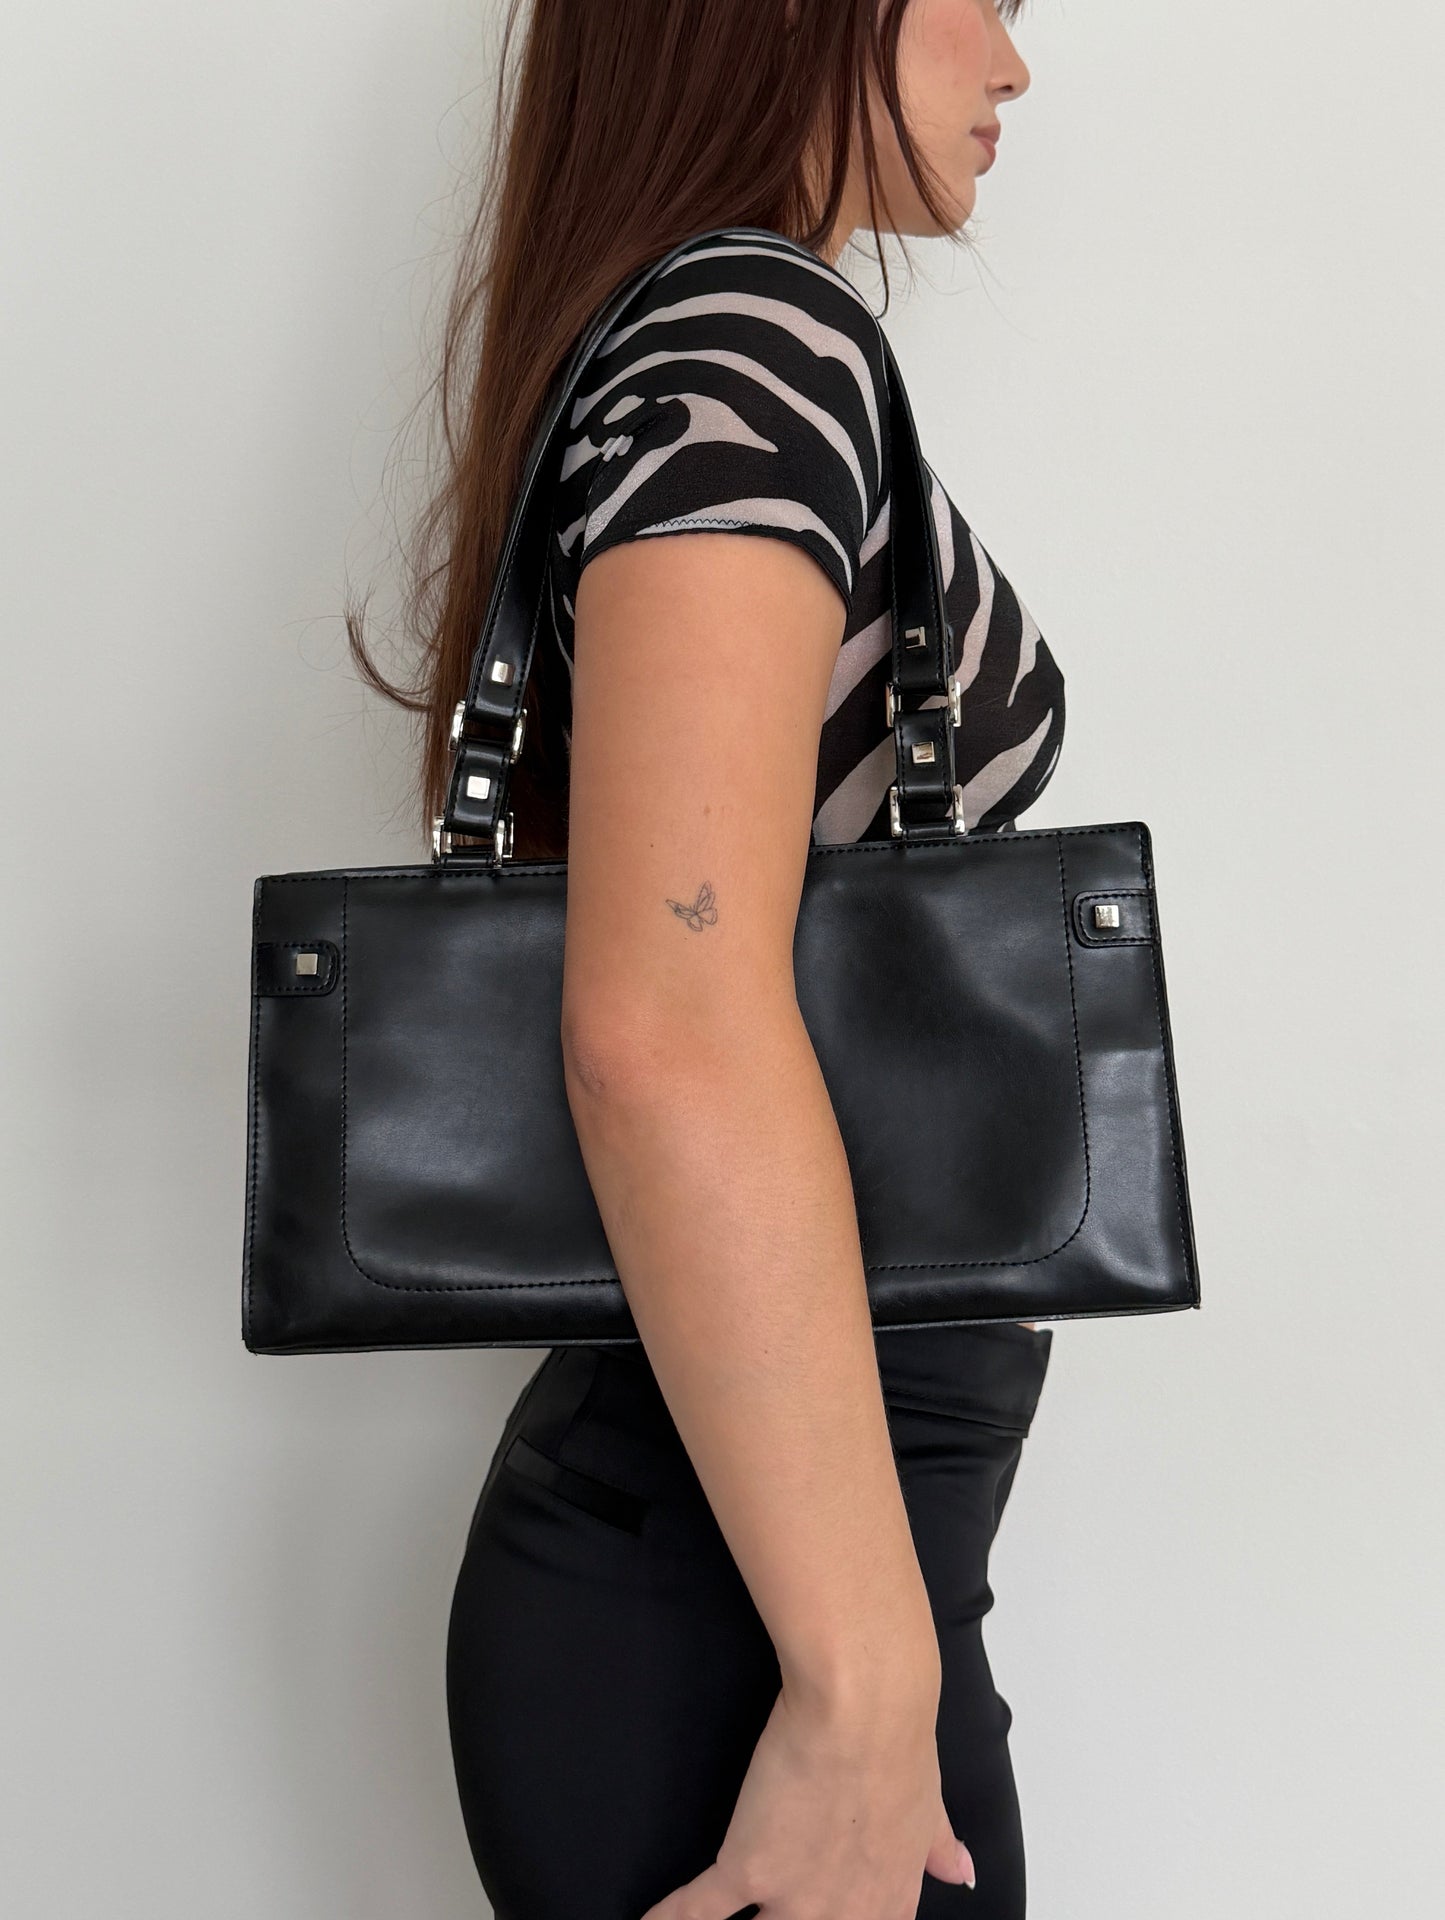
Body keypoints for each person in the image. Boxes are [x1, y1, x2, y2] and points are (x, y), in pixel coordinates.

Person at [350, 5, 1061, 1916]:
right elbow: (660, 1025)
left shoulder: (711, 334)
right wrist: (861, 1680)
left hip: (770, 1579)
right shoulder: (752, 335)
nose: (1017, 62)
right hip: (754, 1620)